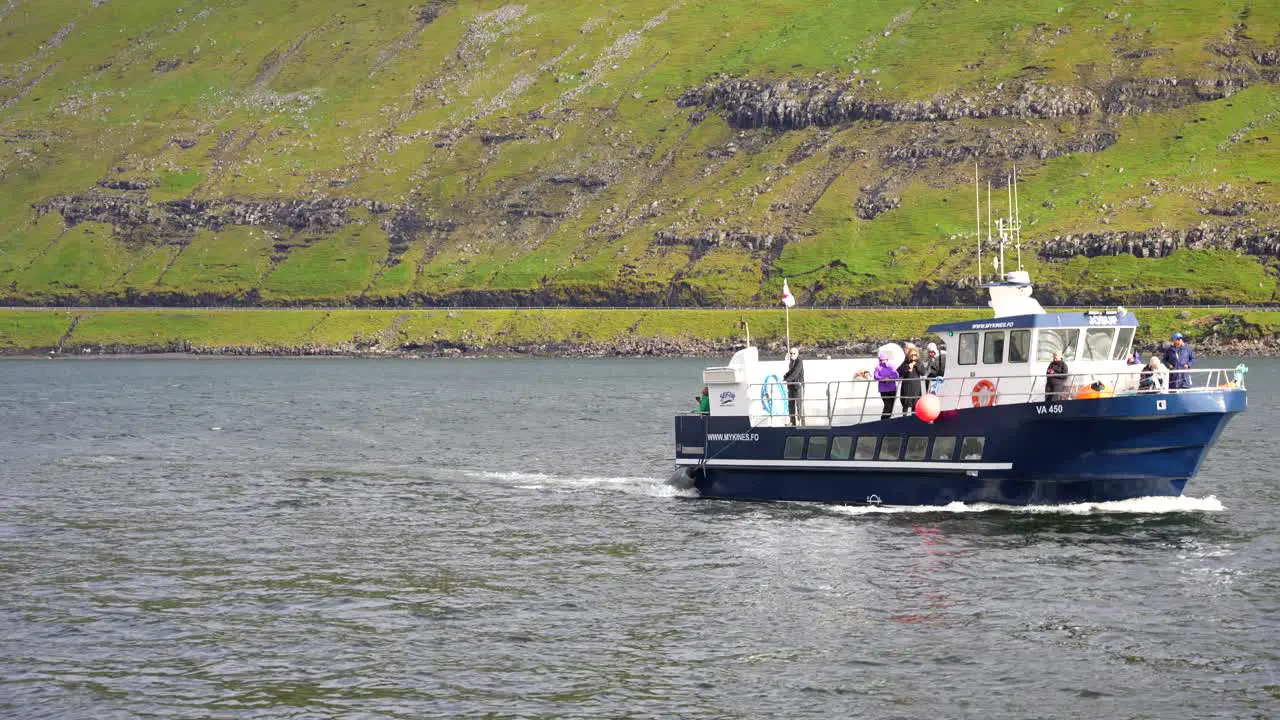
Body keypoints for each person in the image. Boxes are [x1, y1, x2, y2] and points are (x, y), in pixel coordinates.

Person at [897, 347, 924, 415]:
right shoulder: (906, 362)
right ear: (909, 355)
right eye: (911, 355)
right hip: (906, 386)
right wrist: (908, 367)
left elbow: (923, 372)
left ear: (917, 355)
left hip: (916, 386)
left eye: (915, 355)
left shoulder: (919, 362)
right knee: (905, 404)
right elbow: (898, 372)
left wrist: (916, 365)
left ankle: (914, 418)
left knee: (915, 404)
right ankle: (904, 418)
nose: (913, 356)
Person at [874, 351, 900, 420]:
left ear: (887, 360)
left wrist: (889, 378)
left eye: (883, 360)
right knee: (887, 405)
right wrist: (883, 379)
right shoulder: (878, 367)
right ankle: (883, 419)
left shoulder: (891, 366)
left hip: (892, 388)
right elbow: (876, 377)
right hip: (884, 390)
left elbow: (896, 375)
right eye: (880, 360)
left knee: (891, 405)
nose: (882, 361)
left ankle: (888, 419)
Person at [784, 347, 804, 426]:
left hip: (798, 386)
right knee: (791, 404)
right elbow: (790, 372)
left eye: (794, 353)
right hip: (791, 386)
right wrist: (784, 377)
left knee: (798, 404)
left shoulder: (799, 361)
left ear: (797, 354)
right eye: (791, 353)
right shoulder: (791, 362)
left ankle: (800, 421)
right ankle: (792, 421)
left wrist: (787, 380)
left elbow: (795, 372)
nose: (792, 355)